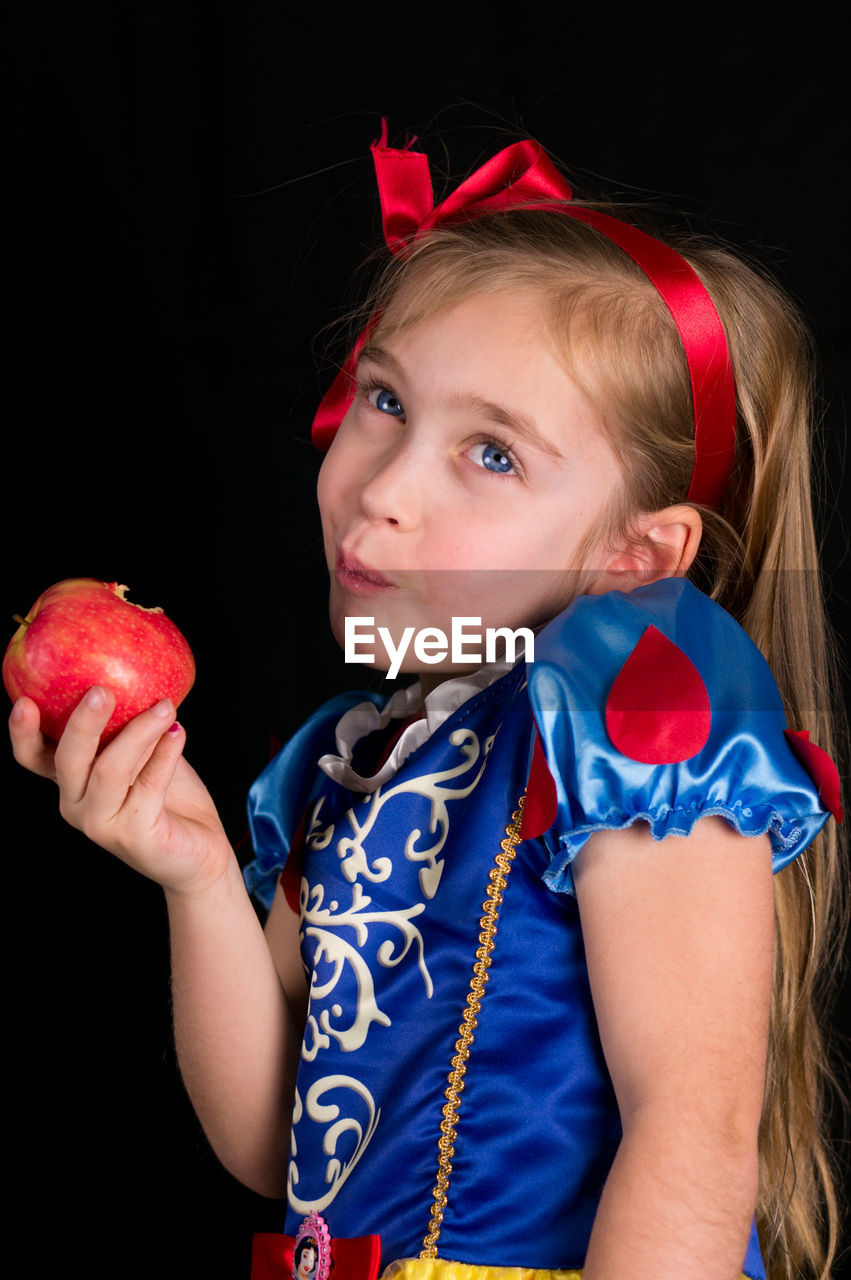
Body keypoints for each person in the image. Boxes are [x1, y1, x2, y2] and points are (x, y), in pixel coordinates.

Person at [8, 125, 846, 1280]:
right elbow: (271, 1143)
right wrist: (196, 876)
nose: (385, 485)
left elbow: (689, 1137)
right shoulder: (350, 758)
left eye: (491, 453)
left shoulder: (644, 702)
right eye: (385, 399)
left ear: (634, 553)